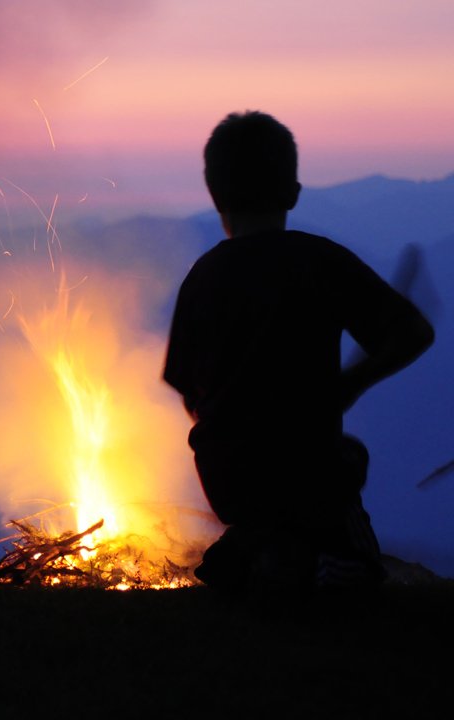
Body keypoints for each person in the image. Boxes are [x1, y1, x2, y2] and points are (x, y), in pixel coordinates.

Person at [163, 111, 435, 592]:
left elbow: (189, 393)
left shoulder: (202, 277)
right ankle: (326, 559)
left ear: (214, 195)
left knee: (274, 495)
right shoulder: (318, 261)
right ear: (292, 192)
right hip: (307, 472)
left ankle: (258, 549)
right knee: (343, 462)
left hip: (227, 482)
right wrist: (350, 383)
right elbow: (412, 333)